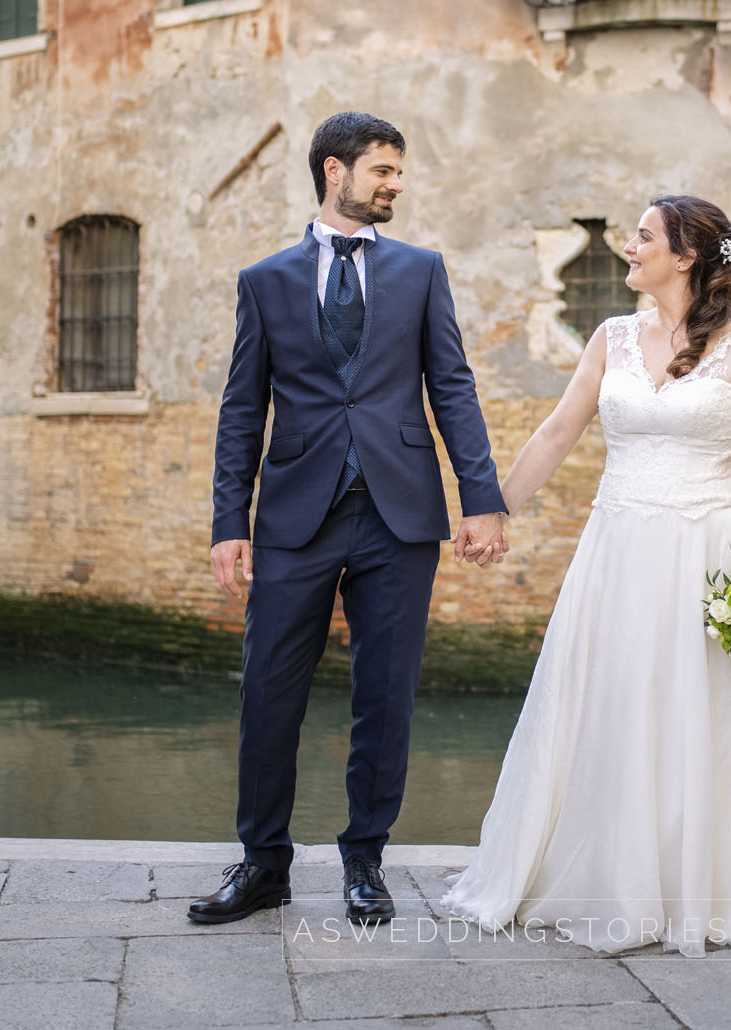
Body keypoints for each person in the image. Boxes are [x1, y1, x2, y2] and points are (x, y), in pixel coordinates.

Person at [442, 194, 731, 956]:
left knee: (696, 707)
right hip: (617, 548)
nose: (628, 247)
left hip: (708, 556)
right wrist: (492, 509)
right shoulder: (611, 338)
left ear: (685, 255)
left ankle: (699, 879)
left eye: (643, 237)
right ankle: (606, 871)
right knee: (608, 699)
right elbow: (557, 431)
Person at [192, 111, 509, 928]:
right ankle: (263, 863)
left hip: (400, 514)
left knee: (386, 694)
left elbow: (454, 388)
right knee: (268, 690)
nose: (396, 184)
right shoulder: (264, 281)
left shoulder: (421, 270)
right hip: (295, 515)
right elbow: (240, 411)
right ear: (336, 171)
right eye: (384, 170)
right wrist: (232, 521)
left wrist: (481, 499)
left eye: (399, 172)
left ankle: (364, 860)